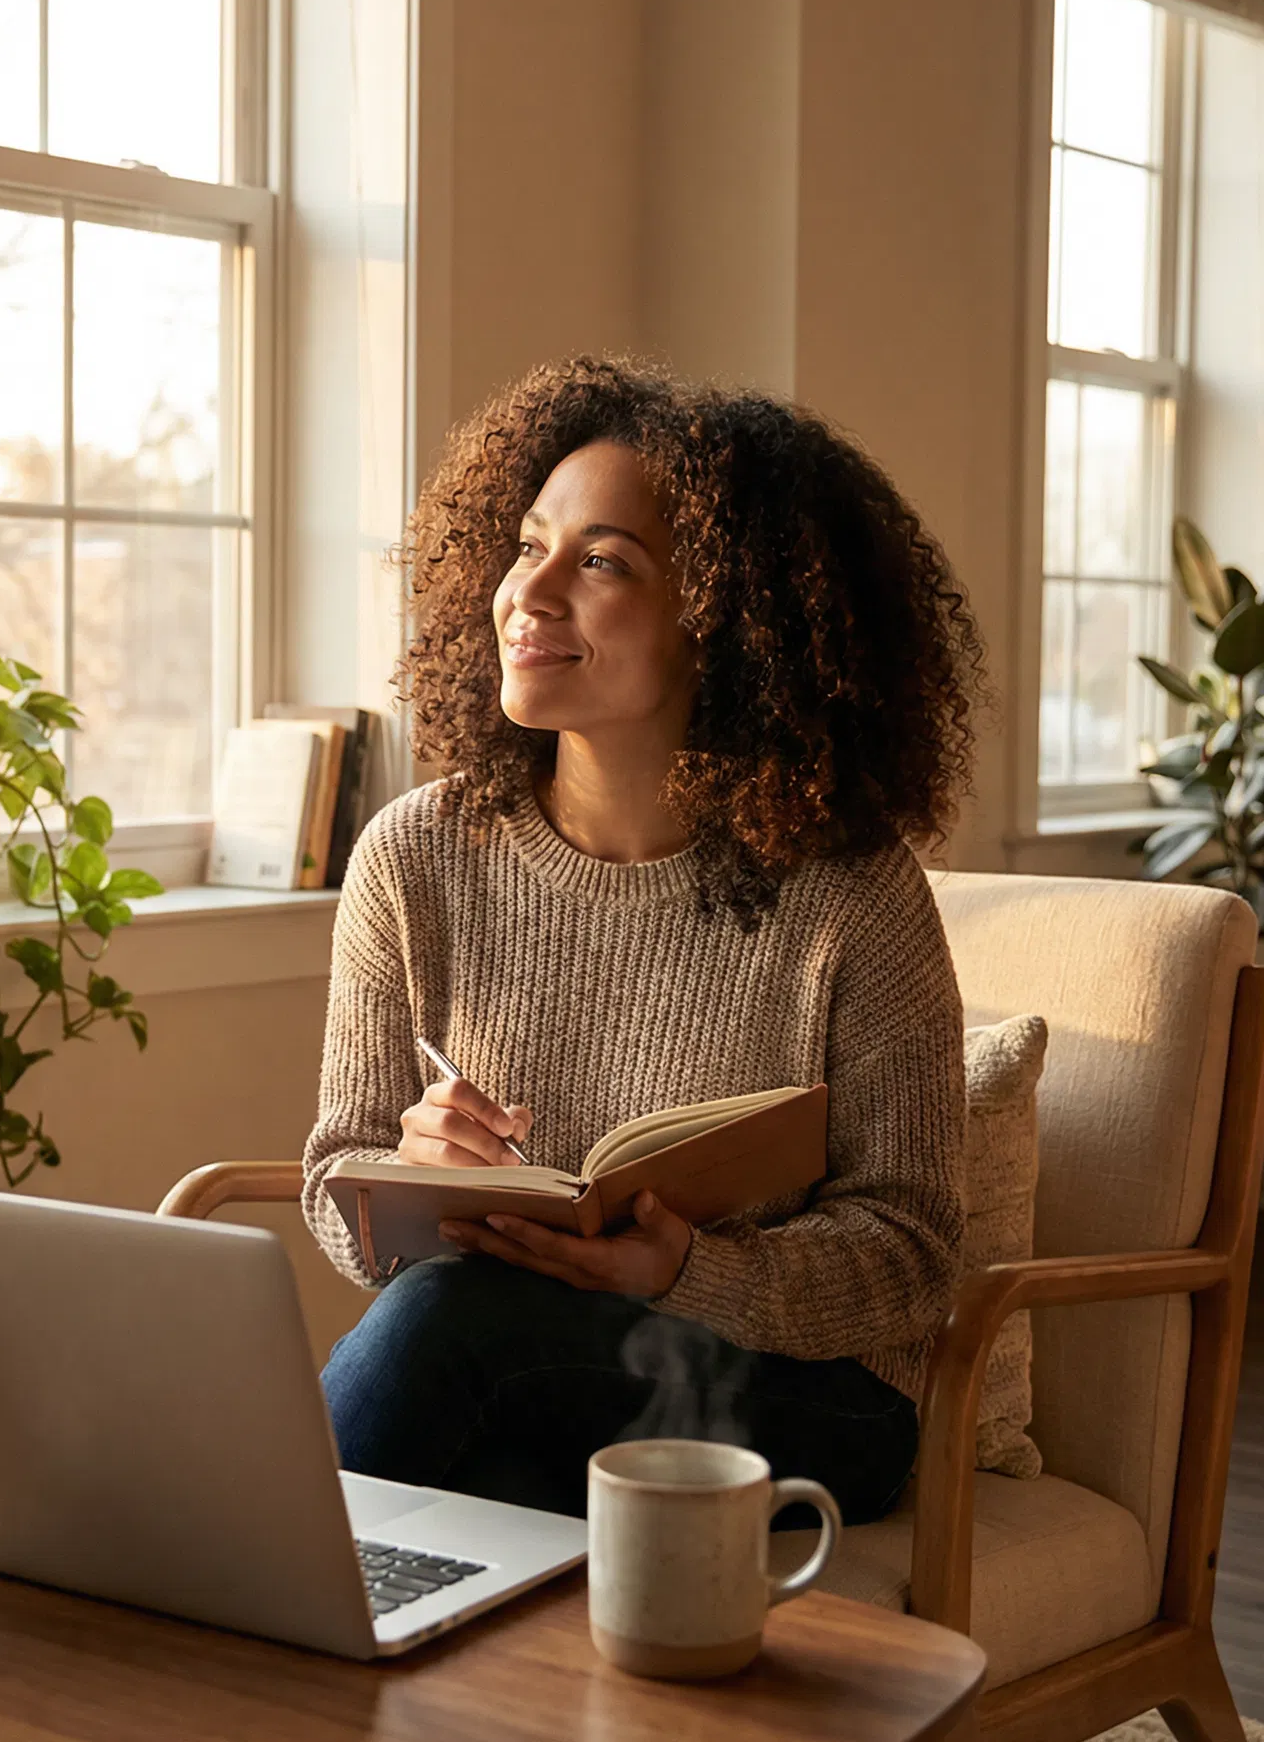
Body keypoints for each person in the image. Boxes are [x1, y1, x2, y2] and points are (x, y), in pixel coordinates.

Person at [303, 356, 985, 1524]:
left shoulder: (853, 894)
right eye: (527, 546)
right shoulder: (414, 857)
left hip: (802, 1398)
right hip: (511, 1369)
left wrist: (682, 1270)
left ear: (727, 621)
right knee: (484, 1461)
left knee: (440, 1336)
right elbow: (333, 1183)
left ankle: (237, 1619)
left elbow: (913, 1257)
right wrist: (405, 1177)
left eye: (602, 559)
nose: (532, 590)